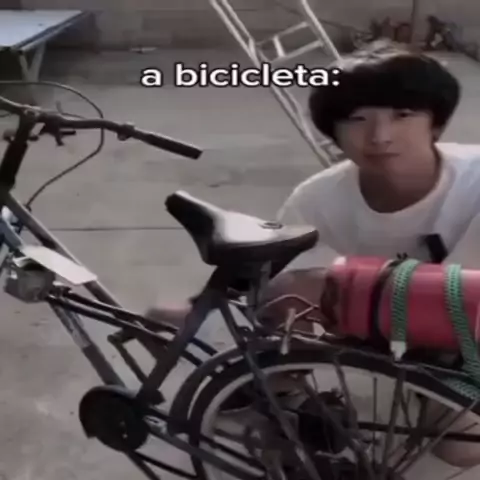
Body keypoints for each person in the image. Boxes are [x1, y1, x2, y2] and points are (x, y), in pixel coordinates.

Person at [143, 39, 480, 466]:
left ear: (436, 123)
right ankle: (283, 401)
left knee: (462, 447)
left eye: (403, 115)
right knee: (171, 322)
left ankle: (429, 391)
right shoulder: (317, 198)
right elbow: (280, 292)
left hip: (466, 336)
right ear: (333, 131)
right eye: (357, 119)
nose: (380, 136)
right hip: (375, 327)